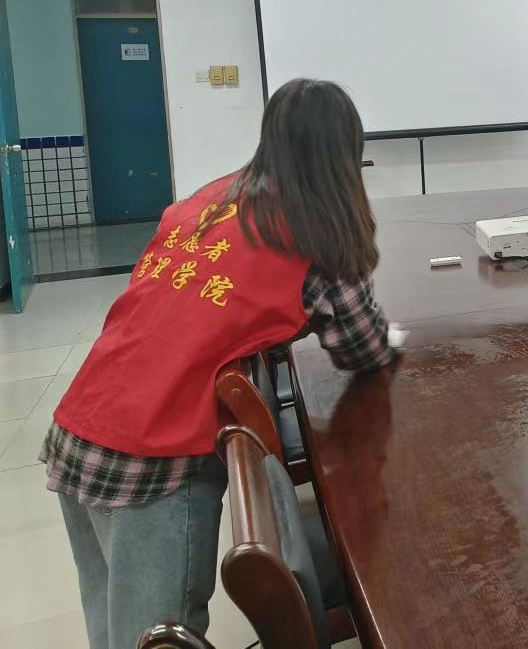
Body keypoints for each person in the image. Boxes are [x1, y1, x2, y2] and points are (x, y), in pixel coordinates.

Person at [40, 79, 401, 649]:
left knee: (113, 627)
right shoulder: (316, 228)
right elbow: (364, 348)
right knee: (157, 639)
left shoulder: (210, 198)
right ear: (344, 154)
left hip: (81, 423)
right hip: (151, 454)